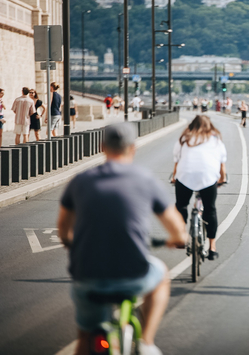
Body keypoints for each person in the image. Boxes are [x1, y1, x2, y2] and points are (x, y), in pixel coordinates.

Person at [57, 123, 187, 355]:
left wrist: (70, 243)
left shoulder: (80, 181)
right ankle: (146, 342)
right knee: (162, 276)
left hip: (87, 277)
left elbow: (63, 228)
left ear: (102, 147)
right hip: (133, 276)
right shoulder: (145, 180)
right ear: (133, 148)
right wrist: (177, 239)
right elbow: (176, 227)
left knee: (85, 339)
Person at [171, 115, 227, 260]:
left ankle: (181, 236)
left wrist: (174, 177)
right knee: (210, 210)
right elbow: (222, 164)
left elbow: (177, 160)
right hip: (207, 177)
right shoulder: (215, 140)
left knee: (181, 206)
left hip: (185, 176)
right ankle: (212, 248)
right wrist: (222, 179)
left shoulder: (184, 139)